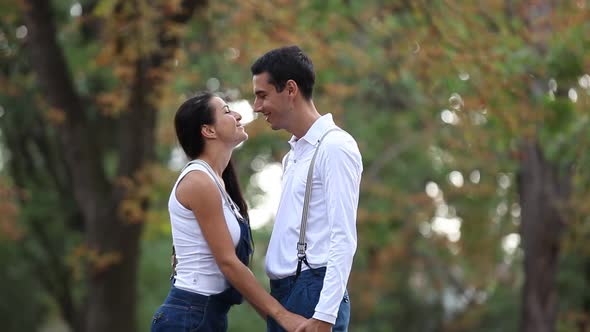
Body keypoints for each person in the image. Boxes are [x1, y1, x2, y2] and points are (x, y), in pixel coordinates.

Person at [151, 92, 306, 332]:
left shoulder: (217, 183)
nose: (238, 115)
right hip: (188, 317)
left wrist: (276, 320)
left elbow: (235, 270)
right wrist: (281, 316)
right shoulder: (198, 181)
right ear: (208, 131)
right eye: (226, 111)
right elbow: (228, 263)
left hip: (205, 316)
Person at [251, 46, 363, 332]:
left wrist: (325, 315)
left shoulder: (335, 146)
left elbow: (344, 236)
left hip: (312, 293)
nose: (256, 106)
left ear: (290, 89)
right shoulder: (294, 155)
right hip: (286, 294)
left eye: (262, 95)